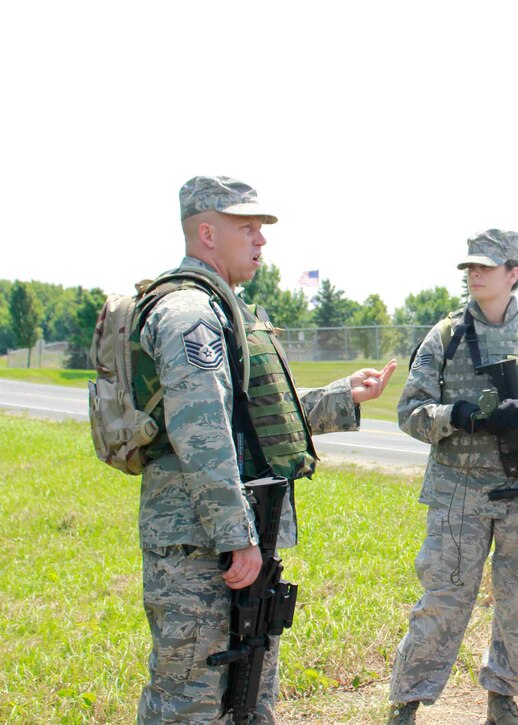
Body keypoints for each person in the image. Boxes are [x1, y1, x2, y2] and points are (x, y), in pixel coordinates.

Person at [136, 175, 396, 724]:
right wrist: (238, 538)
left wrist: (339, 398)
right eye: (246, 228)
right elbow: (201, 436)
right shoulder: (191, 315)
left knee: (250, 692)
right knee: (189, 699)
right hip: (200, 546)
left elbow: (251, 420)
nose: (261, 240)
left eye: (261, 228)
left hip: (235, 537)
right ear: (206, 233)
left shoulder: (229, 309)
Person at [389, 229, 518, 725]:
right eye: (470, 267)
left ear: (514, 273)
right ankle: (406, 699)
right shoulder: (444, 336)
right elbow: (409, 412)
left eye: (486, 267)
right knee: (444, 598)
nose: (474, 275)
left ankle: (503, 695)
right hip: (457, 493)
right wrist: (457, 415)